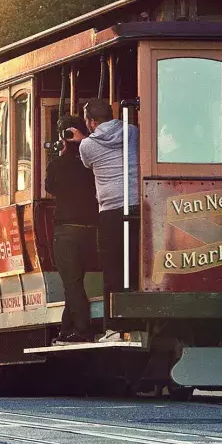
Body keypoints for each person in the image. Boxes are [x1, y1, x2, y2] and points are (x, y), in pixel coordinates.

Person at [79, 99, 140, 339]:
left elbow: (87, 164)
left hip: (111, 211)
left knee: (113, 270)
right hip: (137, 204)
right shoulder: (132, 132)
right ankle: (140, 320)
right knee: (136, 265)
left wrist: (80, 138)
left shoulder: (87, 145)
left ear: (91, 122)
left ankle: (114, 326)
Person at [44, 116, 99, 344]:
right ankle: (67, 328)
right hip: (90, 230)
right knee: (73, 281)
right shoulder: (92, 161)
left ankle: (83, 329)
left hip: (66, 231)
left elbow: (50, 187)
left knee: (72, 282)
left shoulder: (58, 164)